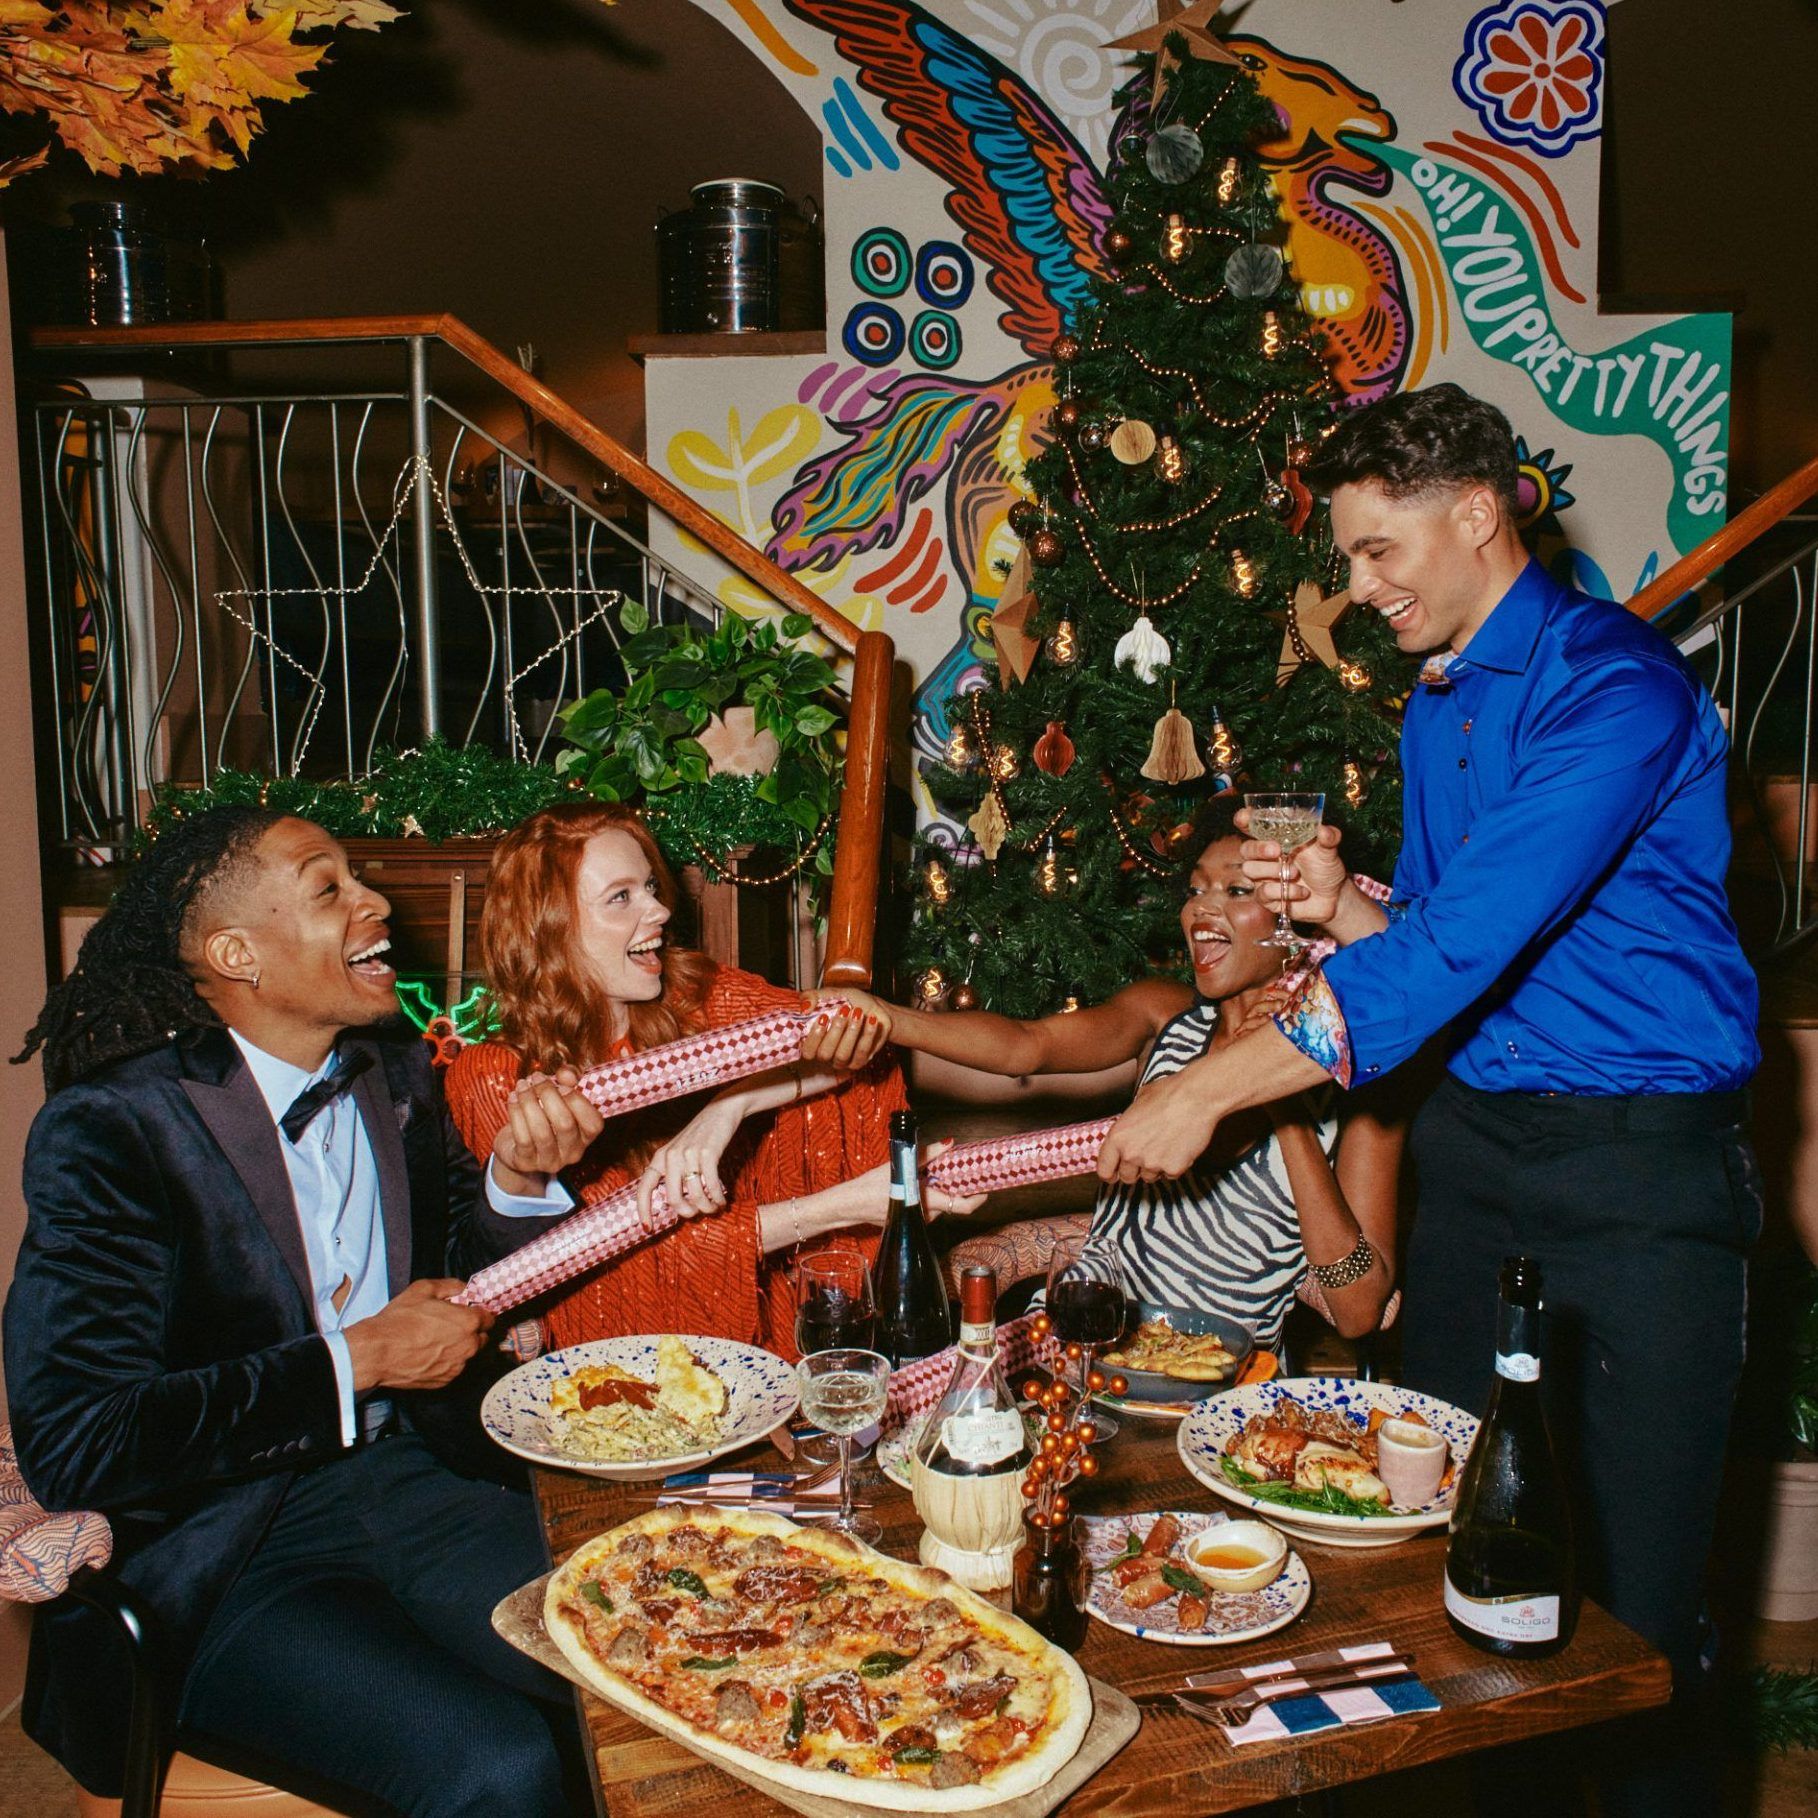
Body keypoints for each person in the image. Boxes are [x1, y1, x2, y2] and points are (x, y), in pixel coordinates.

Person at [1095, 384, 1760, 1814]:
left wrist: (1212, 1085)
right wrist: (1347, 901)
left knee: (1633, 1611)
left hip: (1634, 1175)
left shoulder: (1616, 687)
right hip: (1475, 1147)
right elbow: (1456, 937)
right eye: (1345, 559)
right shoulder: (1438, 698)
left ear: (1477, 513)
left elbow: (1464, 948)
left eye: (1378, 552)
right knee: (1426, 1538)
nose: (1357, 590)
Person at [4, 806, 602, 1816]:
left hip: (418, 1481)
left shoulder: (397, 1075)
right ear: (235, 952)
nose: (376, 902)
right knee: (499, 1766)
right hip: (231, 1550)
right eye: (328, 888)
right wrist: (352, 1363)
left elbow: (459, 1284)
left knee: (625, 1680)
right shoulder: (111, 1132)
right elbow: (78, 1440)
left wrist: (515, 1179)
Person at [820, 796, 1404, 1352]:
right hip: (1078, 1341)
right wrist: (888, 1019)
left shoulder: (1362, 1077)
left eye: (1236, 890)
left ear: (1301, 919)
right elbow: (1029, 1047)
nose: (1201, 907)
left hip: (1217, 1393)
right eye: (1196, 888)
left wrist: (1277, 1092)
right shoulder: (1165, 1016)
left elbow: (1356, 1312)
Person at [445, 801, 984, 1354]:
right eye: (621, 897)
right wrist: (851, 1204)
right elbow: (629, 1258)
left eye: (651, 886)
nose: (658, 910)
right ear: (549, 930)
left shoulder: (700, 992)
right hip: (625, 1366)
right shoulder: (498, 1076)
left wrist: (730, 1104)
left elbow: (845, 1044)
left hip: (778, 1332)